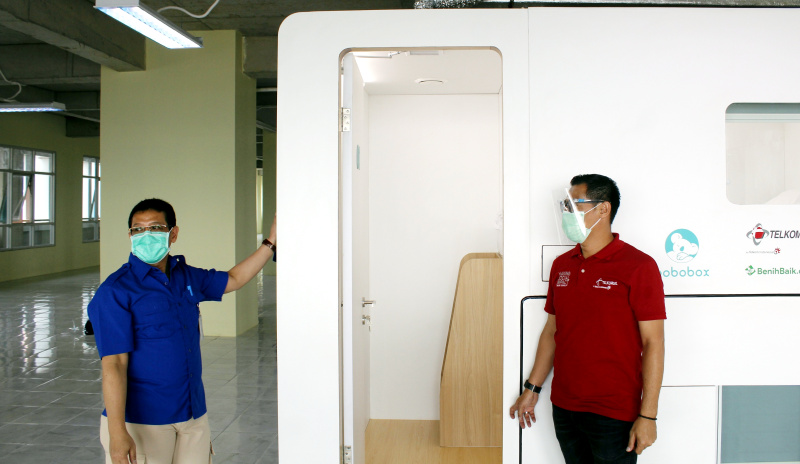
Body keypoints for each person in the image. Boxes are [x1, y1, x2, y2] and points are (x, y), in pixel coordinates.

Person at [88, 198, 277, 464]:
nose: (146, 235)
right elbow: (114, 364)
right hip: (144, 421)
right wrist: (117, 432)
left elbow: (234, 279)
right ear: (130, 235)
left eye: (155, 228)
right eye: (138, 229)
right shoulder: (115, 291)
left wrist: (271, 242)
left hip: (192, 414)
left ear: (173, 233)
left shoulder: (184, 276)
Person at [509, 174, 666, 463]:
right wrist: (532, 388)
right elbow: (552, 331)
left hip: (614, 413)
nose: (567, 213)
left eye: (574, 205)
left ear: (603, 208)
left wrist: (648, 415)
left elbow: (653, 342)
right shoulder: (562, 265)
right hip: (565, 407)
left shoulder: (639, 266)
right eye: (565, 205)